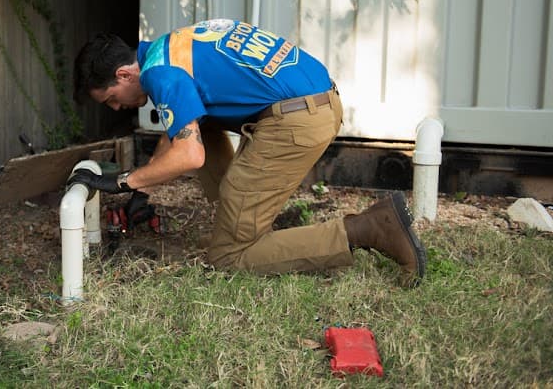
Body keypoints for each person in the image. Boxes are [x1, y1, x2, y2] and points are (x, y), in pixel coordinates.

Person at [68, 19, 426, 285]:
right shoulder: (169, 47)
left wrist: (126, 181)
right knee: (200, 125)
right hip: (313, 98)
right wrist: (144, 186)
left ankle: (369, 228)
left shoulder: (162, 75)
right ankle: (240, 221)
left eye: (112, 99)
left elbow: (189, 156)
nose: (117, 109)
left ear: (124, 74)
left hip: (297, 119)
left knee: (228, 256)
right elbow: (179, 131)